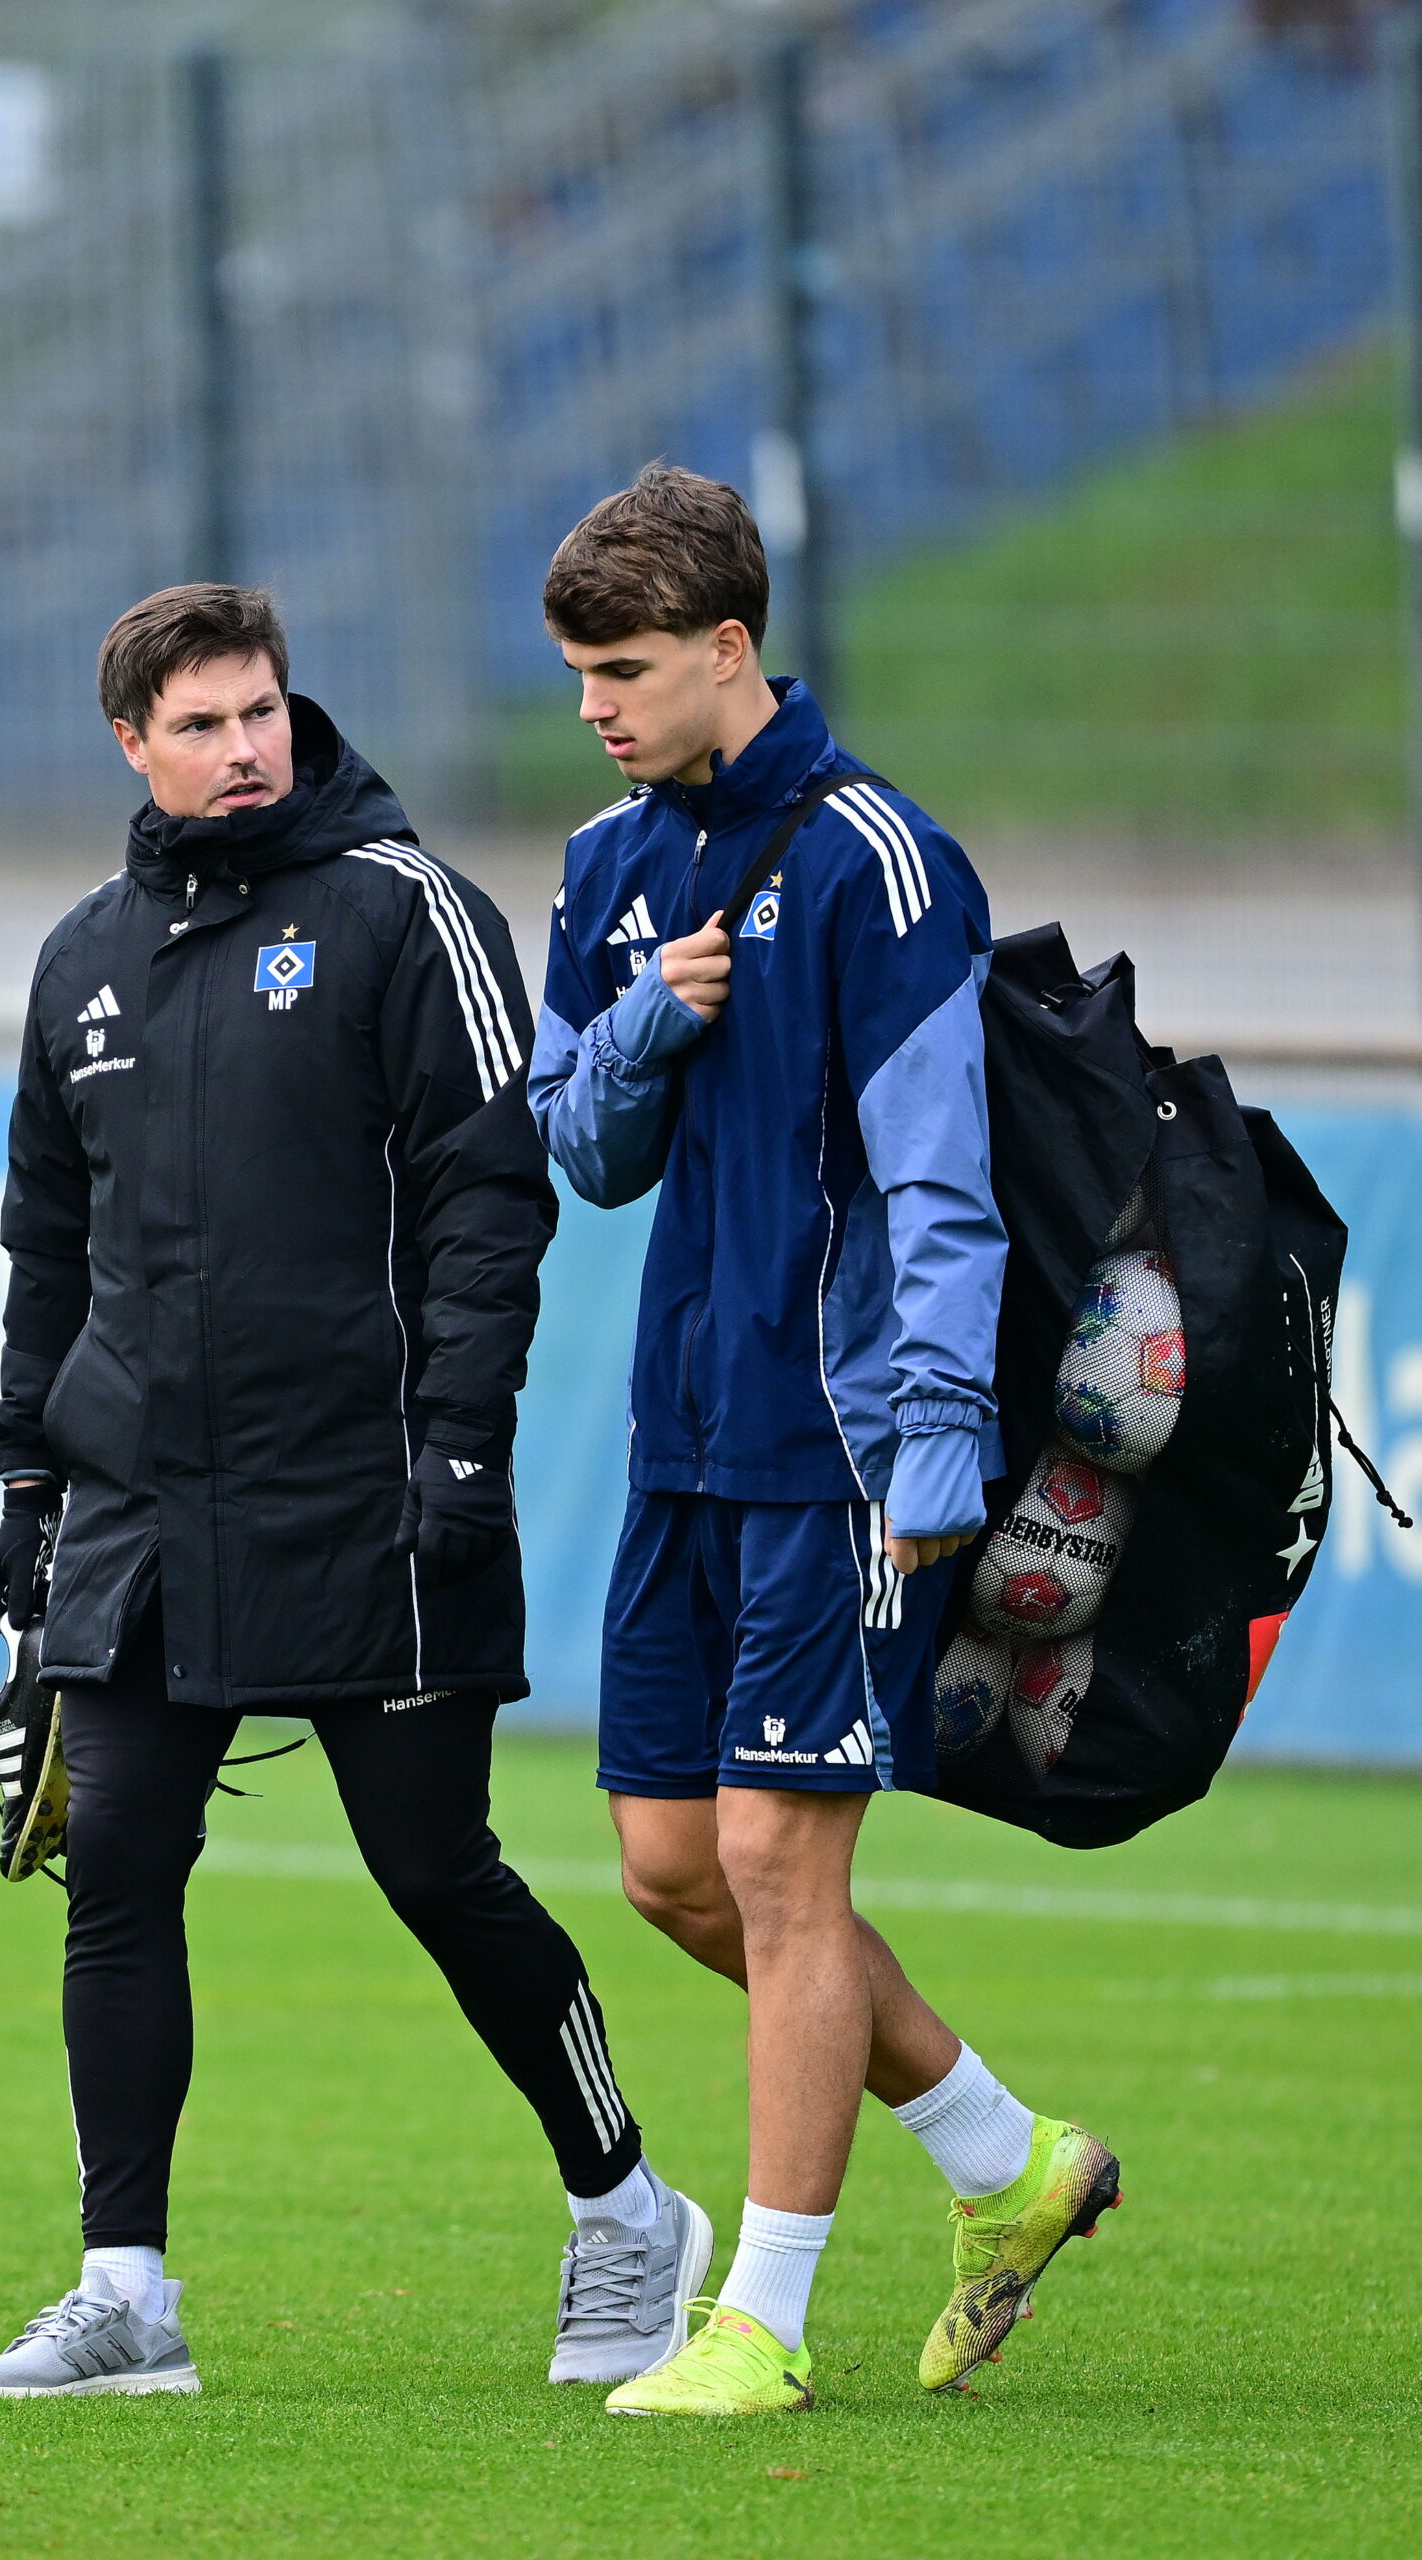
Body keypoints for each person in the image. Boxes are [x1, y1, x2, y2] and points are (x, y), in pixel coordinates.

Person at [0, 582, 710, 2399]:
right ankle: (126, 2297)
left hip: (374, 1496)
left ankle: (626, 2211)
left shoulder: (404, 909)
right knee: (115, 1872)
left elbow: (487, 1197)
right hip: (143, 1509)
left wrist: (460, 1443)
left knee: (435, 1871)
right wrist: (29, 1476)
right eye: (200, 724)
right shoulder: (84, 960)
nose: (242, 749)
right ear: (130, 742)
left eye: (261, 712)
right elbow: (49, 1245)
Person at [529, 468, 1121, 2418]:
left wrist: (939, 1437)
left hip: (850, 1453)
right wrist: (643, 1030)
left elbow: (941, 1184)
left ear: (726, 646)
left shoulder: (881, 859)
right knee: (670, 1870)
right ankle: (1000, 2157)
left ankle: (757, 2324)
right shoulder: (610, 863)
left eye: (623, 669)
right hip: (680, 1443)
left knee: (780, 1860)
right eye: (575, 674)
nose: (595, 706)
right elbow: (579, 1147)